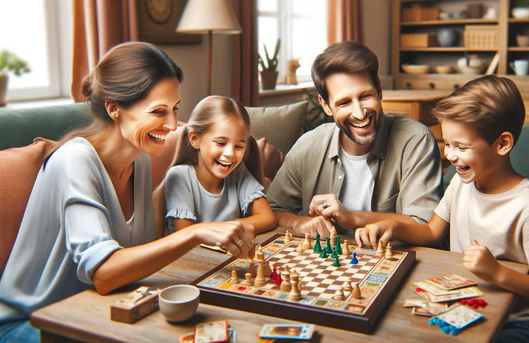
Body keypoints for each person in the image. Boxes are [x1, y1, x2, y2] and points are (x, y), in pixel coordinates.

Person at [0, 42, 254, 343]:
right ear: (114, 108)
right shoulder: (75, 160)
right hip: (38, 325)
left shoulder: (141, 159)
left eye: (175, 110)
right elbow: (104, 274)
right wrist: (195, 233)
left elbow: (133, 266)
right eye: (159, 111)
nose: (173, 125)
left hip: (100, 311)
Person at [355, 75, 529, 343]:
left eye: (461, 146)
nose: (449, 154)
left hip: (526, 323)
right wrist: (395, 226)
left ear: (502, 144)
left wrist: (497, 273)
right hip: (472, 308)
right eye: (447, 143)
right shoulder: (461, 184)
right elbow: (432, 231)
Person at [266, 41, 442, 238]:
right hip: (326, 264)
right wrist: (299, 222)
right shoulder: (307, 147)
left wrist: (353, 218)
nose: (359, 114)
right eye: (344, 102)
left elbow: (424, 225)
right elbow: (271, 210)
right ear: (325, 105)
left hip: (394, 261)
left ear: (379, 90)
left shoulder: (416, 141)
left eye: (365, 96)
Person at [154, 95, 276, 238]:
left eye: (238, 146)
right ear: (195, 139)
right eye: (220, 143)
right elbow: (186, 235)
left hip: (227, 258)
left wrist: (227, 228)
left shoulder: (237, 172)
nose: (230, 154)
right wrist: (232, 228)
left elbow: (267, 218)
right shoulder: (180, 176)